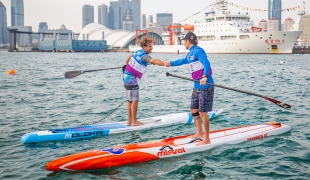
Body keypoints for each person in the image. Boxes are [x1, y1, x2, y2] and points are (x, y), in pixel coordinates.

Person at [166, 32, 214, 145]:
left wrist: (205, 76)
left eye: (184, 41)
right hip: (196, 86)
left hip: (206, 86)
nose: (183, 43)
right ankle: (199, 133)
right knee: (194, 109)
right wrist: (169, 64)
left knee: (203, 112)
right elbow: (182, 61)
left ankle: (207, 139)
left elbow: (206, 62)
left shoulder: (198, 50)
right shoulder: (190, 54)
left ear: (188, 41)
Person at [123, 37, 169, 126]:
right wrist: (164, 63)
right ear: (144, 47)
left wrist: (127, 64)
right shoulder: (144, 56)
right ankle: (134, 122)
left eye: (151, 46)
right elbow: (154, 60)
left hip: (126, 76)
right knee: (135, 100)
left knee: (130, 100)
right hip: (131, 79)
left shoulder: (138, 52)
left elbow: (129, 57)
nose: (151, 48)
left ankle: (129, 120)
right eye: (149, 47)